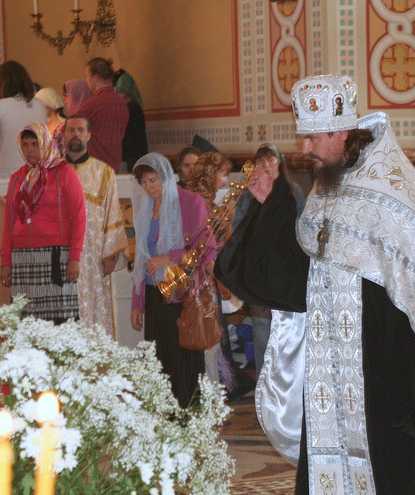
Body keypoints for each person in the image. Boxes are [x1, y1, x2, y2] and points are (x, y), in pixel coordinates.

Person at [276, 74, 415, 495]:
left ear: (340, 131)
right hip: (330, 369)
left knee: (393, 474)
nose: (305, 149)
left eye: (313, 139)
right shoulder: (328, 181)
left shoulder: (390, 184)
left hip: (387, 367)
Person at [215, 143, 309, 379]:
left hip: (283, 273)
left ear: (280, 163)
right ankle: (263, 379)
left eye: (271, 160)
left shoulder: (292, 191)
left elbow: (300, 229)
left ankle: (286, 380)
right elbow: (240, 230)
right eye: (260, 161)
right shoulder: (249, 193)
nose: (265, 165)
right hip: (257, 271)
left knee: (287, 332)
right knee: (260, 328)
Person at [130, 153, 216, 408]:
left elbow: (206, 249)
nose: (149, 187)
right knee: (159, 355)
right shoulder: (146, 208)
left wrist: (171, 257)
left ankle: (188, 413)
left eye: (154, 180)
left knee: (183, 354)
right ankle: (164, 413)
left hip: (181, 292)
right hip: (154, 293)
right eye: (144, 182)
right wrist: (137, 303)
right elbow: (142, 258)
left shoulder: (189, 202)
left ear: (166, 176)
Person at [185, 151, 255, 399]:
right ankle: (211, 394)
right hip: (202, 283)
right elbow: (203, 252)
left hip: (208, 280)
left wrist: (227, 220)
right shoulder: (199, 204)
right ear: (210, 175)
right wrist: (221, 280)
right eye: (222, 175)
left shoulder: (206, 202)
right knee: (207, 340)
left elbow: (221, 240)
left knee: (212, 339)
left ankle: (212, 390)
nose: (224, 181)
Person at [0, 123, 86, 324]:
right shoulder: (17, 178)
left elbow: (79, 217)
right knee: (27, 322)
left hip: (56, 257)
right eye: (26, 145)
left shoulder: (64, 173)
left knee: (59, 322)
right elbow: (9, 223)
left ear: (45, 143)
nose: (30, 150)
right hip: (22, 259)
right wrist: (6, 261)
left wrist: (74, 257)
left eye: (35, 144)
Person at [61, 115, 127, 337]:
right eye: (71, 130)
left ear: (89, 135)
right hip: (62, 254)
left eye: (80, 130)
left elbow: (113, 213)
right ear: (63, 136)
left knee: (96, 313)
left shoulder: (104, 172)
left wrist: (110, 254)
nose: (76, 134)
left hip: (94, 256)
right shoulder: (54, 172)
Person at [0, 61, 47, 179]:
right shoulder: (40, 104)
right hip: (37, 170)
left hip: (12, 170)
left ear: (4, 83)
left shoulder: (1, 105)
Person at [76, 58, 129, 173]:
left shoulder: (93, 104)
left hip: (93, 169)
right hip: (114, 167)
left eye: (86, 76)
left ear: (95, 78)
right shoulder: (122, 104)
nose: (86, 81)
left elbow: (70, 130)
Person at [113, 70, 148, 173]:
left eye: (122, 96)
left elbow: (129, 138)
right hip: (136, 158)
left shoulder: (130, 109)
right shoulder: (135, 108)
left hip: (131, 159)